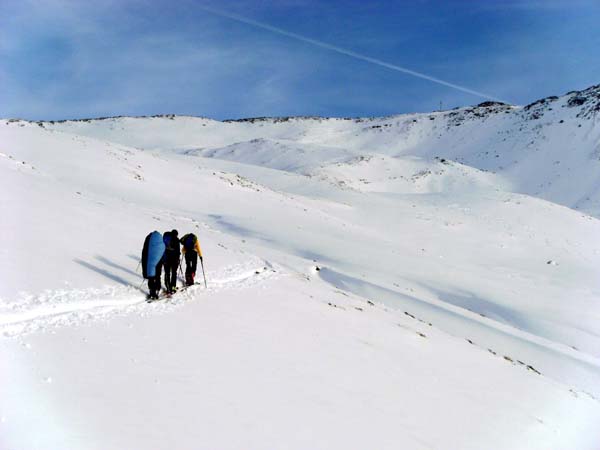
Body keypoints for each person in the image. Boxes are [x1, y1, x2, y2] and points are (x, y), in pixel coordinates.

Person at [142, 230, 166, 299]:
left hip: (151, 260)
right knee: (158, 275)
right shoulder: (161, 240)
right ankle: (158, 288)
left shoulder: (149, 239)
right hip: (159, 260)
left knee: (151, 275)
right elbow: (163, 250)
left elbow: (144, 251)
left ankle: (152, 292)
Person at [162, 229, 181, 295]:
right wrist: (178, 259)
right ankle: (173, 287)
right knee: (174, 273)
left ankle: (168, 288)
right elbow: (178, 251)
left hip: (166, 258)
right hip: (174, 259)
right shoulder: (176, 240)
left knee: (167, 273)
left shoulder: (165, 238)